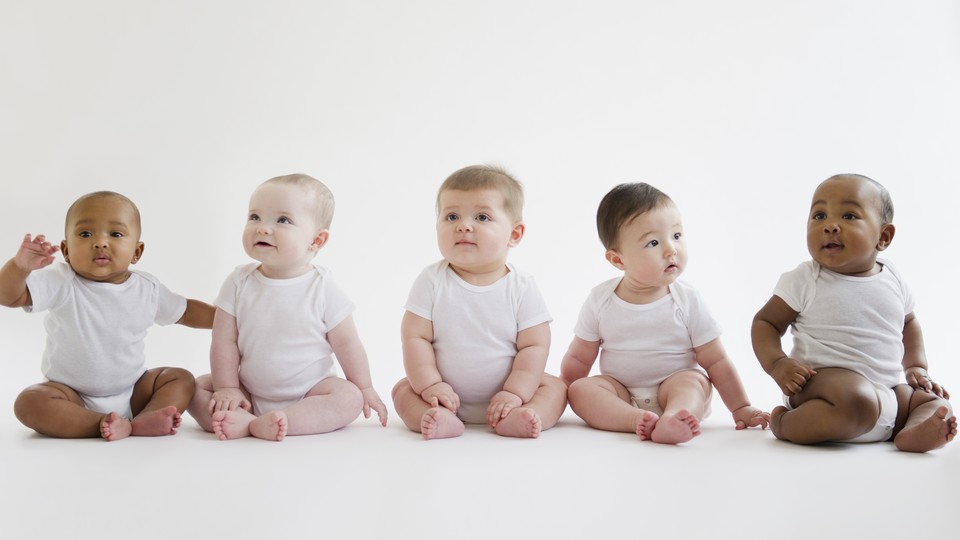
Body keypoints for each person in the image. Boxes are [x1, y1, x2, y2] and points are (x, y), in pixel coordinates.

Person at [752, 173, 956, 452]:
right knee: (856, 398)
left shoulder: (893, 277)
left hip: (886, 395)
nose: (830, 226)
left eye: (848, 216)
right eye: (819, 215)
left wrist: (917, 367)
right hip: (823, 391)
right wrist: (777, 364)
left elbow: (909, 322)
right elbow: (765, 322)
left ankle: (912, 432)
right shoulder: (806, 279)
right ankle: (785, 423)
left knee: (934, 401)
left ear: (883, 237)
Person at [561, 183, 769, 444]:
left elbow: (716, 361)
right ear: (618, 260)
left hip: (674, 387)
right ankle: (635, 420)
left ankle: (674, 418)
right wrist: (564, 389)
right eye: (653, 242)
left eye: (677, 236)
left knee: (693, 382)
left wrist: (741, 407)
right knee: (582, 390)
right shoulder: (600, 300)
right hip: (620, 393)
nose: (671, 249)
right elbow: (580, 356)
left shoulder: (687, 300)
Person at [0, 191, 214, 441]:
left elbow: (186, 311)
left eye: (115, 234)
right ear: (66, 251)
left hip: (133, 391)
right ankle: (100, 423)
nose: (100, 242)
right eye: (85, 234)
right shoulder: (61, 282)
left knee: (180, 378)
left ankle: (149, 417)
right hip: (70, 396)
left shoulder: (147, 288)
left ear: (136, 251)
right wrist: (20, 267)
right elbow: (9, 297)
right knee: (30, 402)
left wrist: (229, 319)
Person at [188, 173, 387, 441]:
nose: (262, 228)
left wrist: (365, 387)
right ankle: (248, 420)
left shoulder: (323, 286)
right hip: (247, 391)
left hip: (310, 392)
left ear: (317, 240)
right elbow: (223, 340)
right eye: (254, 217)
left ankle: (284, 421)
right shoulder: (239, 281)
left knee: (348, 397)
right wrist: (227, 388)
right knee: (195, 387)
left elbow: (348, 343)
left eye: (282, 220)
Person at [391, 165, 567, 440]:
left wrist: (515, 392)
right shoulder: (432, 280)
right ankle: (437, 419)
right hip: (443, 396)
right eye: (451, 216)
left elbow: (535, 344)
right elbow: (414, 338)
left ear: (514, 234)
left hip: (510, 396)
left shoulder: (521, 286)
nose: (463, 225)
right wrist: (430, 386)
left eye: (482, 217)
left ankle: (522, 418)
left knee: (555, 389)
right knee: (403, 390)